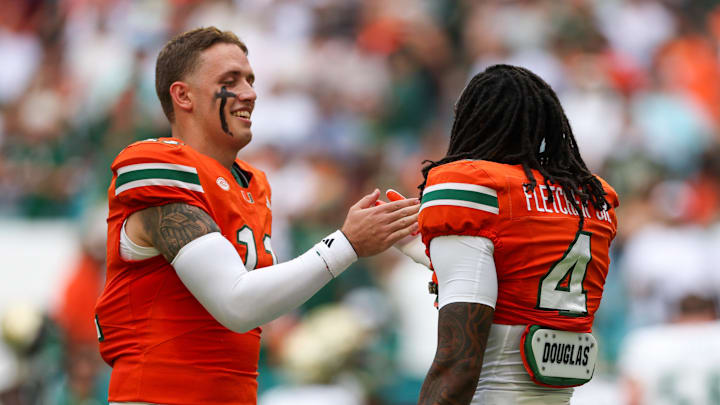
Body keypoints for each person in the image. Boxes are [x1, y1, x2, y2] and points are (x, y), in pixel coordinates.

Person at [93, 27, 420, 405]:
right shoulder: (158, 164)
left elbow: (262, 299)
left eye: (249, 79)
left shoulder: (251, 185)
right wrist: (345, 245)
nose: (250, 92)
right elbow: (236, 303)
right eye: (230, 81)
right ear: (183, 95)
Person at [415, 64, 619, 404]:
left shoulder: (474, 184)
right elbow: (519, 271)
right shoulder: (591, 198)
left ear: (473, 120)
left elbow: (458, 364)